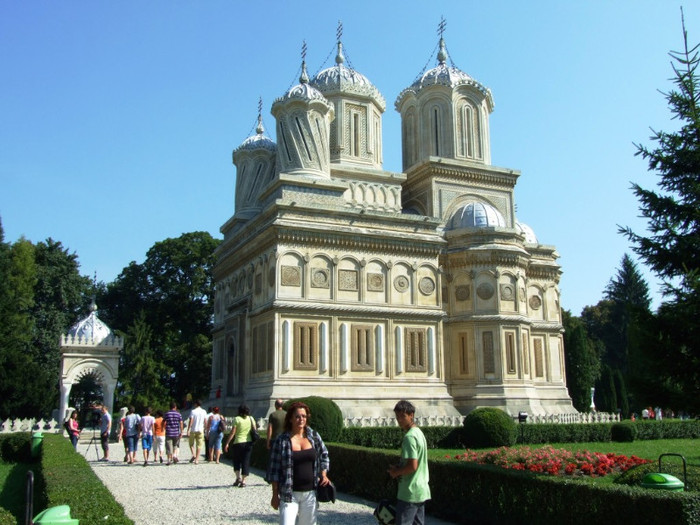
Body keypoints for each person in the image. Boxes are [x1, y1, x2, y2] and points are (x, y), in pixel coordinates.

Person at [267, 401, 331, 525]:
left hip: (310, 493)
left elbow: (324, 455)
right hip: (289, 493)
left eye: (304, 416)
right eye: (297, 416)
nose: (301, 419)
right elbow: (274, 470)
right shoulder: (282, 440)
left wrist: (323, 473)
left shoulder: (313, 436)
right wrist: (275, 495)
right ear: (290, 419)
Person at [388, 400, 431, 525]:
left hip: (409, 491)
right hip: (421, 489)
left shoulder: (410, 437)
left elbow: (413, 466)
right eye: (397, 417)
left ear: (411, 415)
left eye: (403, 416)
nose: (399, 420)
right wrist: (400, 467)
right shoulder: (419, 433)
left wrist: (396, 472)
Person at [224, 404, 258, 487]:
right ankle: (244, 481)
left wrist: (227, 443)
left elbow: (233, 432)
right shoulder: (251, 419)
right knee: (246, 461)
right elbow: (255, 430)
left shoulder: (237, 419)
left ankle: (238, 477)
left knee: (237, 461)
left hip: (238, 442)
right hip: (248, 442)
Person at [187, 399, 208, 464]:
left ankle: (193, 454)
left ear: (196, 404)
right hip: (200, 430)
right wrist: (205, 429)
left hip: (193, 429)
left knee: (191, 444)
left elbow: (191, 421)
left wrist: (188, 429)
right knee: (199, 445)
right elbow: (205, 421)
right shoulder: (204, 411)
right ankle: (197, 459)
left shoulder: (193, 411)